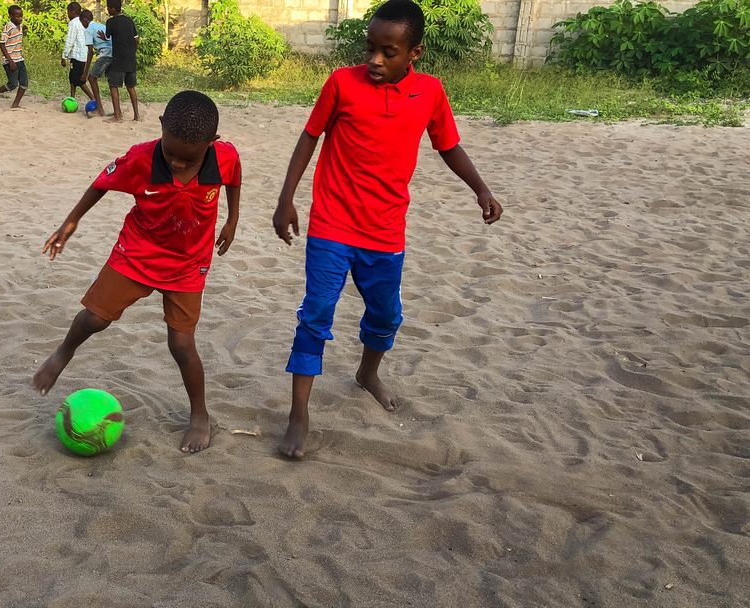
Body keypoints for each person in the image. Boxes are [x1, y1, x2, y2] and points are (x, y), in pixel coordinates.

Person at [272, 0, 503, 458]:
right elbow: (309, 137)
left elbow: (448, 146)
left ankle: (367, 372)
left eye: (388, 52)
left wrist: (481, 189)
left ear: (414, 52)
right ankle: (299, 413)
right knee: (316, 313)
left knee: (385, 315)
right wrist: (285, 199)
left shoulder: (430, 92)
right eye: (370, 49)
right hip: (332, 224)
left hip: (385, 231)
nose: (375, 60)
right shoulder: (342, 83)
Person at [33, 91, 242, 454]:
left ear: (212, 142)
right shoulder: (140, 158)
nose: (176, 162)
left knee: (181, 345)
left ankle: (200, 415)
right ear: (160, 127)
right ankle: (63, 353)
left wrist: (232, 219)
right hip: (138, 252)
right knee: (95, 318)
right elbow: (100, 184)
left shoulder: (225, 157)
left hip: (188, 262)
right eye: (170, 153)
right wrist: (71, 221)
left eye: (188, 158)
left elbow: (234, 179)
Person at [99, 0, 139, 122]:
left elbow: (108, 36)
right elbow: (136, 39)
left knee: (113, 85)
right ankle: (137, 115)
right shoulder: (129, 20)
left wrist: (103, 37)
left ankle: (117, 116)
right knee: (131, 87)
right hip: (131, 59)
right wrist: (133, 52)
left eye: (108, 8)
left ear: (113, 9)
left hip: (118, 59)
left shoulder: (110, 21)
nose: (107, 10)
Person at [0, 5, 27, 108]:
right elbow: (2, 44)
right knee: (13, 84)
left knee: (24, 83)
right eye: (17, 16)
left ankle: (15, 104)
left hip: (19, 58)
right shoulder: (8, 27)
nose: (20, 19)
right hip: (9, 60)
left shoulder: (20, 26)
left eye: (21, 16)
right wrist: (10, 61)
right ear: (10, 16)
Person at [61, 2, 93, 102]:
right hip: (84, 56)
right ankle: (72, 98)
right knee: (72, 78)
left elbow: (70, 41)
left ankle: (93, 98)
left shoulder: (73, 23)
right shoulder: (82, 22)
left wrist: (64, 56)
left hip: (77, 56)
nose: (67, 14)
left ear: (72, 12)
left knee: (79, 81)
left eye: (68, 12)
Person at [81, 9, 110, 117]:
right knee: (113, 83)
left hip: (105, 54)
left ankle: (99, 109)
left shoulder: (88, 30)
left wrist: (85, 72)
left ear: (85, 20)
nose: (82, 25)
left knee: (91, 78)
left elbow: (90, 52)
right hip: (114, 53)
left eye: (82, 22)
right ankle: (117, 111)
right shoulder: (102, 26)